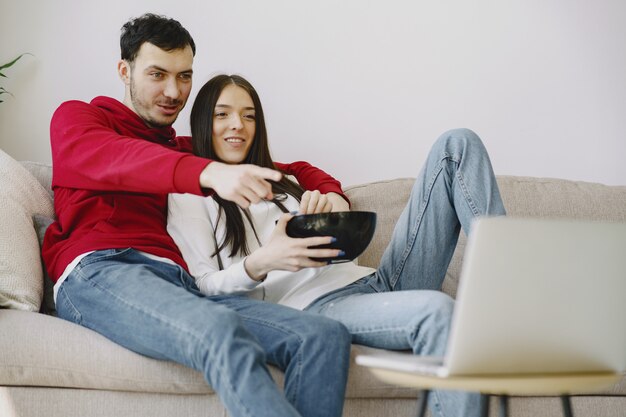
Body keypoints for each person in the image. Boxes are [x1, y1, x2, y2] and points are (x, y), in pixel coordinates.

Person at [43, 14, 355, 417]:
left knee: (322, 335)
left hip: (179, 285)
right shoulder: (81, 119)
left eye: (184, 76)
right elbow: (118, 158)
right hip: (103, 270)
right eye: (158, 74)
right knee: (221, 331)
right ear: (125, 70)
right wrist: (210, 172)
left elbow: (284, 166)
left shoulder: (181, 149)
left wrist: (332, 195)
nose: (174, 91)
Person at [167, 74, 507, 417]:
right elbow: (203, 285)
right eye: (222, 114)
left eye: (249, 115)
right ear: (202, 122)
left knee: (457, 143)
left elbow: (341, 242)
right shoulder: (191, 197)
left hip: (375, 283)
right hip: (318, 307)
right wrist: (262, 261)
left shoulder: (288, 183)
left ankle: (512, 299)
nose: (237, 125)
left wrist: (334, 213)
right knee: (439, 311)